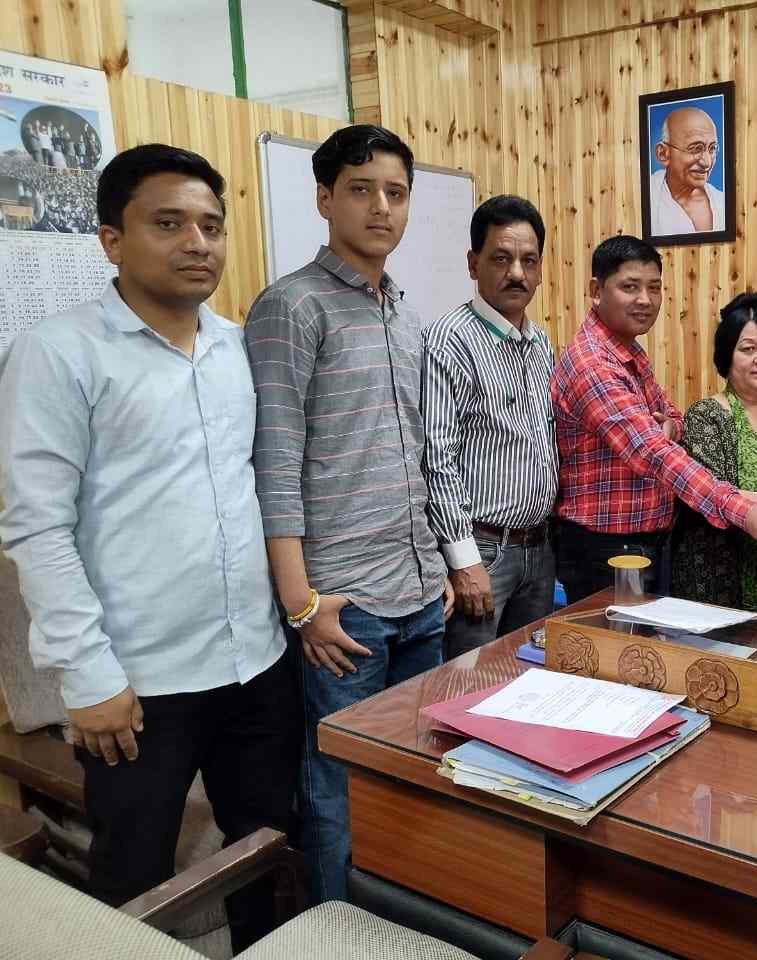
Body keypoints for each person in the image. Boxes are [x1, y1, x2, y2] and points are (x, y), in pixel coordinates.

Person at [0, 144, 296, 949]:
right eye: (168, 224)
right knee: (134, 877)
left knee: (266, 852)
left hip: (255, 663)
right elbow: (36, 526)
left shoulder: (236, 347)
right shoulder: (59, 353)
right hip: (137, 686)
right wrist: (88, 674)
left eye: (211, 226)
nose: (197, 243)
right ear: (111, 239)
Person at [244, 125, 452, 902]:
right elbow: (275, 463)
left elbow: (417, 452)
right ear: (325, 198)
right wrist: (301, 604)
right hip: (343, 606)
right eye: (361, 190)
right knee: (338, 784)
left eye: (396, 193)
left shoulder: (405, 312)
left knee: (411, 772)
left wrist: (438, 563)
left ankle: (404, 919)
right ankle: (338, 930)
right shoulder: (291, 307)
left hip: (418, 590)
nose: (381, 207)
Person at [552, 235, 757, 603]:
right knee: (619, 640)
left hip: (646, 540)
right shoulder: (593, 364)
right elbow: (656, 454)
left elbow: (671, 415)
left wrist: (669, 426)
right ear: (596, 291)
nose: (645, 299)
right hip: (607, 549)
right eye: (630, 287)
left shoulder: (627, 351)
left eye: (654, 288)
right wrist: (745, 510)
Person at [423, 195, 558, 659]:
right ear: (473, 263)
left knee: (530, 680)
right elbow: (435, 459)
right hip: (482, 553)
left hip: (539, 549)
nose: (517, 273)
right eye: (501, 258)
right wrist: (463, 560)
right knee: (472, 683)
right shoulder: (449, 340)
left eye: (528, 261)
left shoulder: (540, 342)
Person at [671, 291, 757, 619]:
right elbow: (709, 488)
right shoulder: (706, 415)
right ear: (727, 357)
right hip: (720, 574)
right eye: (748, 349)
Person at [649, 107, 725, 235]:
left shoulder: (722, 202)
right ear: (663, 153)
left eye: (712, 149)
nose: (707, 163)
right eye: (696, 149)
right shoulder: (648, 198)